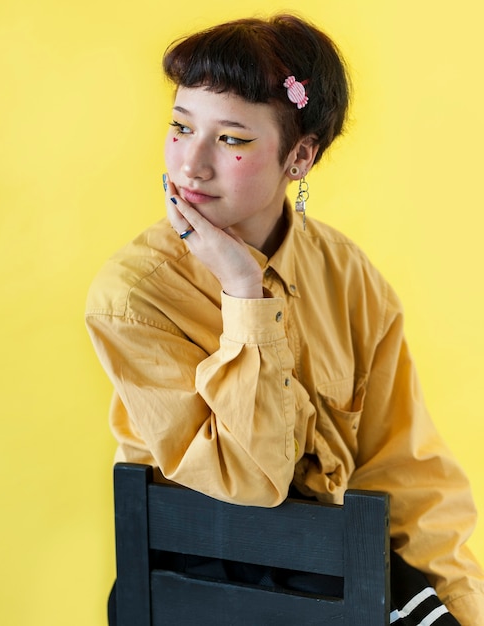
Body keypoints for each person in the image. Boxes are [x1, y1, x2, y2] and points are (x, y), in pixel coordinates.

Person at [85, 14, 484, 625]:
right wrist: (245, 293)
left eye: (232, 139)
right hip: (198, 575)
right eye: (180, 127)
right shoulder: (134, 293)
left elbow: (405, 468)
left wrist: (463, 607)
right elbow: (253, 483)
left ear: (299, 157)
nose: (191, 164)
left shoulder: (348, 276)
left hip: (335, 564)